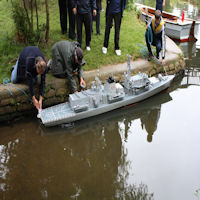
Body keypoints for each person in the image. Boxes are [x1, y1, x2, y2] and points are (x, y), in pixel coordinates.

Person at [11, 46, 47, 111]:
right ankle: (15, 68)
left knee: (35, 81)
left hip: (32, 59)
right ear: (36, 66)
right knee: (14, 80)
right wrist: (34, 99)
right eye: (38, 73)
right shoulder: (30, 61)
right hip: (24, 57)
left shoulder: (44, 65)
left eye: (40, 74)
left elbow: (43, 81)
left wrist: (40, 99)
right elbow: (29, 81)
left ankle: (30, 72)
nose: (39, 75)